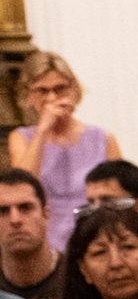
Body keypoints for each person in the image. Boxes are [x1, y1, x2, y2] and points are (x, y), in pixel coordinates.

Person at [7, 52, 123, 254]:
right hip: (44, 247)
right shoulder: (22, 138)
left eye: (60, 89)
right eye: (42, 91)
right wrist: (42, 131)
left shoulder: (103, 138)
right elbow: (21, 188)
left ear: (74, 89)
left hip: (95, 242)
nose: (51, 98)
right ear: (29, 96)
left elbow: (120, 199)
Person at [0, 169, 66, 299]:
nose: (15, 220)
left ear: (45, 214)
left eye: (25, 208)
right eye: (3, 211)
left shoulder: (80, 276)